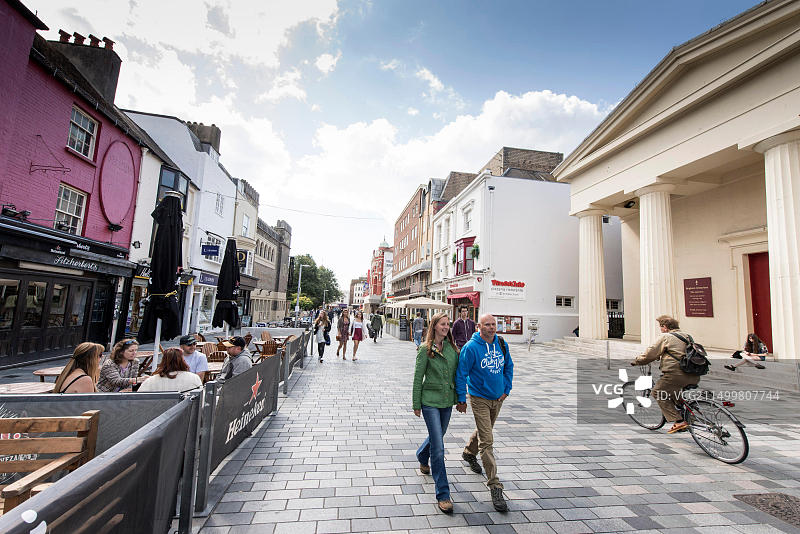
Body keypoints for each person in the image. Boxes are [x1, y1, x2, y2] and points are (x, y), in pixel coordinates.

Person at [455, 314, 513, 512]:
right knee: (487, 441)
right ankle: (495, 486)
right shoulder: (471, 348)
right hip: (479, 397)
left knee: (484, 431)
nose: (491, 328)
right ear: (478, 326)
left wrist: (507, 389)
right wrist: (461, 399)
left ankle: (468, 452)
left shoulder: (502, 343)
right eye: (487, 325)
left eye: (493, 324)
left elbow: (509, 367)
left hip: (498, 398)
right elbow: (461, 373)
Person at [412, 312, 459, 514]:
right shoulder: (424, 349)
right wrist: (416, 404)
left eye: (448, 324)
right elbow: (417, 378)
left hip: (447, 401)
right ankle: (443, 494)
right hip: (429, 402)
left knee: (437, 437)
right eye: (442, 324)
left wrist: (461, 398)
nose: (446, 327)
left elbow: (458, 374)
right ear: (434, 326)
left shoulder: (452, 349)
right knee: (438, 448)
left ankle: (422, 455)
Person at [631, 315, 700, 434]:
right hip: (694, 374)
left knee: (657, 392)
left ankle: (678, 421)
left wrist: (637, 361)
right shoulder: (687, 336)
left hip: (675, 374)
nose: (660, 329)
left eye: (661, 327)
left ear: (665, 327)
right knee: (674, 391)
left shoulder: (666, 337)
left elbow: (650, 354)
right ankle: (689, 416)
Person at [138, 347, 203, 392]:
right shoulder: (194, 378)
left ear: (163, 361)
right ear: (182, 361)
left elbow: (138, 400)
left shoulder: (150, 381)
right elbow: (201, 400)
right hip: (186, 411)